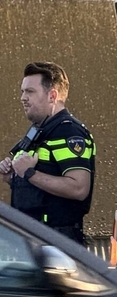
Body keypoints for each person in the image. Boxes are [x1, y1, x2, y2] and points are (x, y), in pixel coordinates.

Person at [0, 62, 95, 244]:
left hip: (59, 243)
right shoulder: (40, 130)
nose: (23, 98)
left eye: (30, 92)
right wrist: (13, 177)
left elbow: (79, 188)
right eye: (22, 91)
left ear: (52, 95)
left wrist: (29, 173)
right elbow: (39, 190)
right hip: (34, 240)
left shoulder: (69, 132)